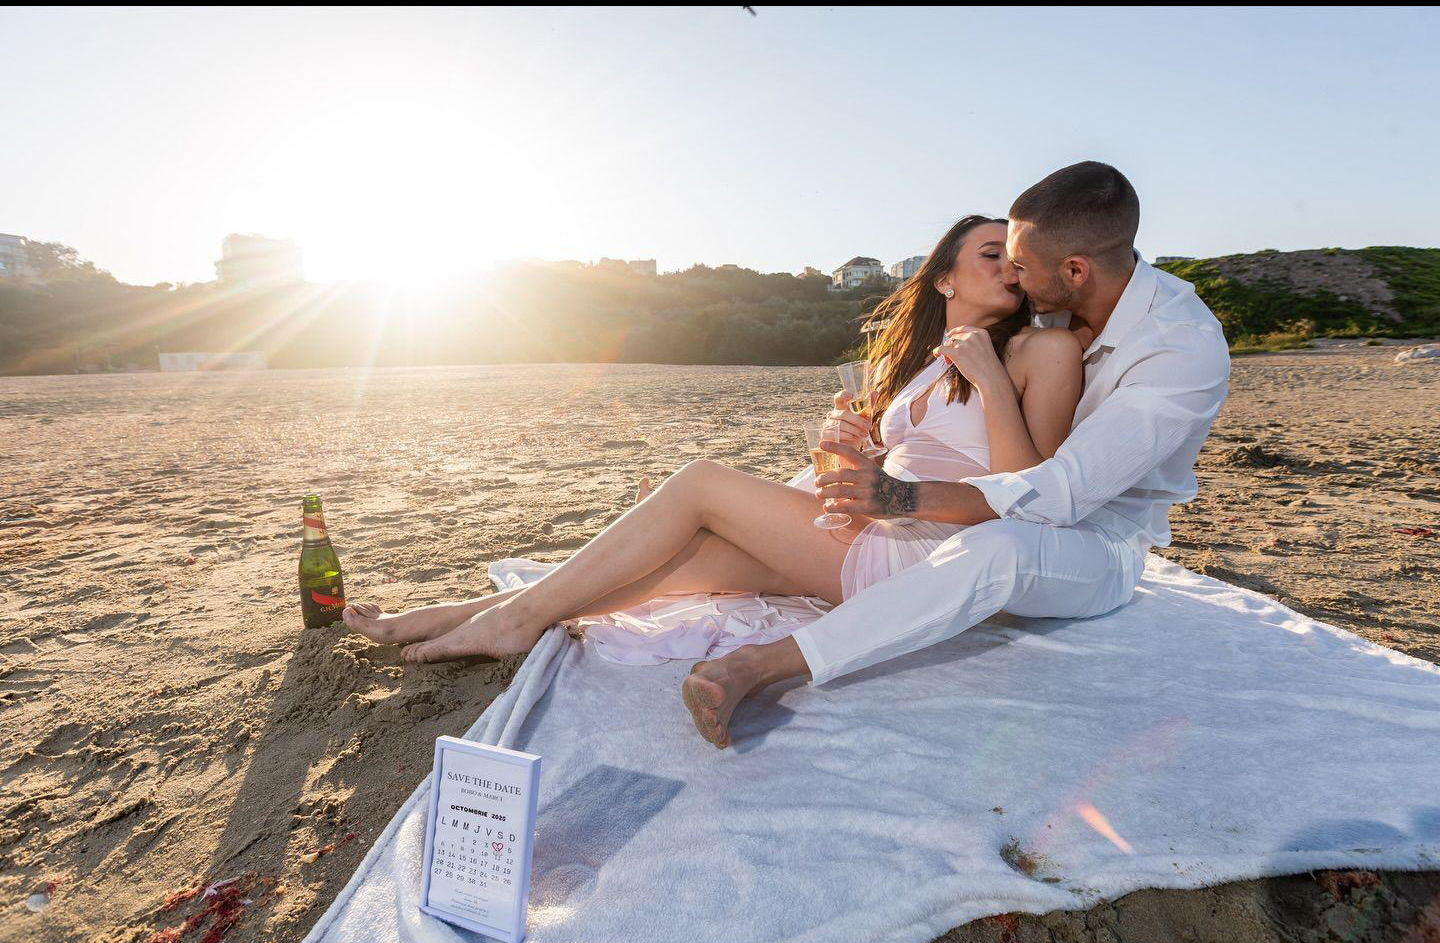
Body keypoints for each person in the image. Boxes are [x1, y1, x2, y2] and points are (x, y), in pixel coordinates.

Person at [341, 215, 1084, 672]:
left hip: (936, 565)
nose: (1011, 269)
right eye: (993, 254)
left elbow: (1031, 503)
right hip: (877, 536)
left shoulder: (1038, 354)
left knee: (697, 483)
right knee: (683, 560)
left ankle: (513, 621)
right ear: (946, 277)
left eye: (1016, 260)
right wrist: (852, 456)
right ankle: (468, 613)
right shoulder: (925, 368)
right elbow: (897, 474)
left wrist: (989, 379)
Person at [681, 161, 1231, 748]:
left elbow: (1062, 495)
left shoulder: (1180, 350)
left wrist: (903, 497)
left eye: (1019, 264)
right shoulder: (1054, 308)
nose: (1012, 275)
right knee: (804, 498)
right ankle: (693, 530)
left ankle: (760, 666)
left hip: (1100, 540)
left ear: (1074, 270)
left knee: (999, 547)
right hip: (1012, 499)